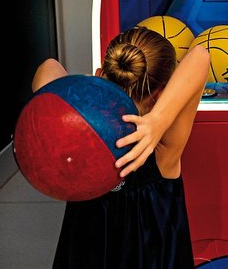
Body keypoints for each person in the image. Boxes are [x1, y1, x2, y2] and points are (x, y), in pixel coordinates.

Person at [31, 26, 210, 269]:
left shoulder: (79, 133)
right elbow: (200, 56)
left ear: (99, 75)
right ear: (162, 95)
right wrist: (158, 120)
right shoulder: (163, 146)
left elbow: (49, 67)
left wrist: (89, 91)